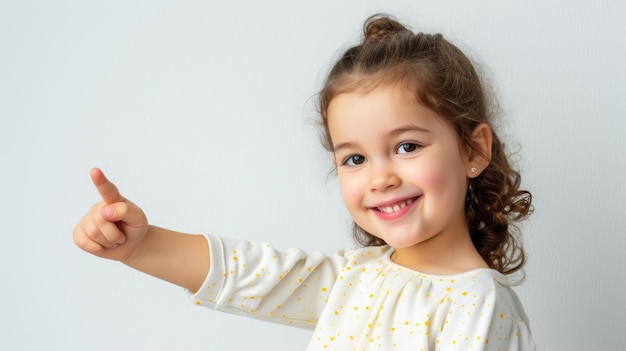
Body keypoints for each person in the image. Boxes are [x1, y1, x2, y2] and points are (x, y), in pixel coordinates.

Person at [74, 14, 535, 350]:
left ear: (473, 151)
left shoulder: (481, 306)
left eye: (407, 146)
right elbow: (249, 273)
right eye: (355, 158)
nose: (380, 177)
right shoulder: (353, 280)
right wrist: (139, 245)